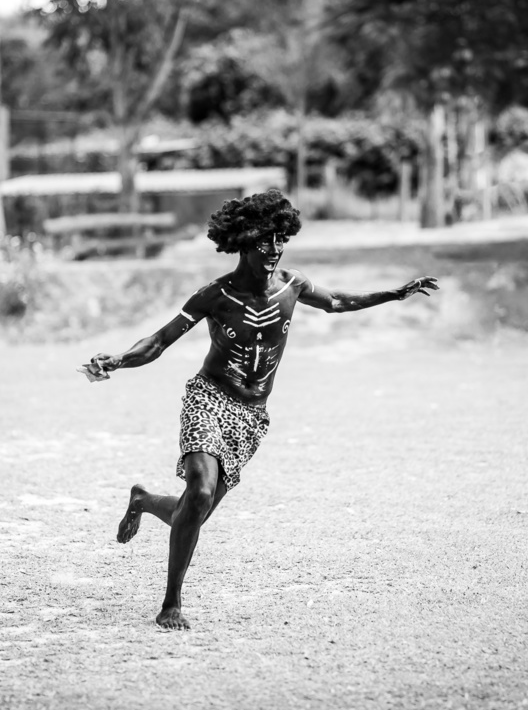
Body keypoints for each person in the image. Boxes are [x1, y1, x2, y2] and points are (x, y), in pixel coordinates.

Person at [84, 189, 438, 630]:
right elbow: (159, 341)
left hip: (251, 417)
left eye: (280, 240)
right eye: (263, 241)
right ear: (243, 241)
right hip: (208, 399)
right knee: (199, 489)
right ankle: (171, 602)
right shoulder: (215, 296)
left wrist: (393, 294)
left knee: (195, 509)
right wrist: (119, 359)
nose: (272, 250)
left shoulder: (293, 286)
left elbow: (338, 301)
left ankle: (142, 499)